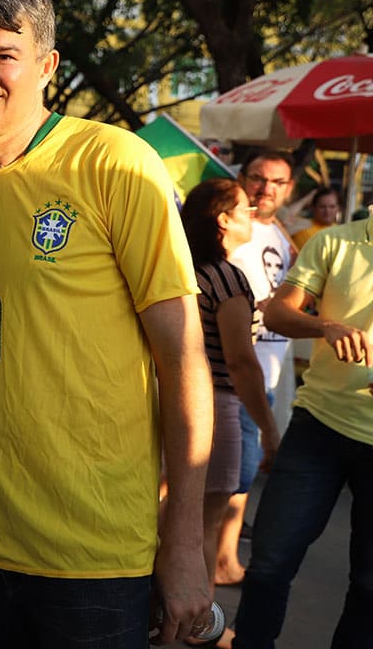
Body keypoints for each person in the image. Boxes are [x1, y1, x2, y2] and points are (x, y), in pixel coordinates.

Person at [0, 0, 214, 646]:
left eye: (3, 54)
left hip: (95, 559)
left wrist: (185, 543)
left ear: (47, 66)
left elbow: (184, 359)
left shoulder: (115, 162)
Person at [231, 216, 373, 648]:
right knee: (270, 563)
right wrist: (324, 326)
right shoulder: (336, 242)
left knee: (369, 586)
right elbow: (276, 310)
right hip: (319, 428)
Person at [180, 179, 280, 646]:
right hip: (216, 406)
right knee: (206, 523)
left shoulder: (180, 269)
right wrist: (269, 428)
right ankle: (200, 625)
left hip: (168, 400)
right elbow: (241, 362)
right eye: (244, 208)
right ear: (222, 220)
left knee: (169, 515)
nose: (254, 212)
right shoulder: (226, 277)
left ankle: (165, 610)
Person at [216, 151, 297, 587]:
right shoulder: (231, 224)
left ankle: (225, 558)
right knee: (231, 476)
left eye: (277, 183)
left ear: (288, 190)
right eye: (258, 178)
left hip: (269, 369)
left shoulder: (281, 235)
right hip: (235, 370)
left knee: (237, 478)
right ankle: (202, 561)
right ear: (242, 178)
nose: (265, 188)